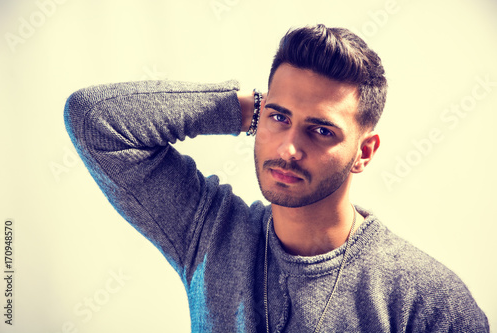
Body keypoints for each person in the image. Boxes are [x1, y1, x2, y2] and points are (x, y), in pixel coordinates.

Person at [64, 24, 489, 332]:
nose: (288, 148)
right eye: (279, 118)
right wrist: (250, 108)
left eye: (321, 130)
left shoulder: (427, 300)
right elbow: (93, 119)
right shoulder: (210, 233)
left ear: (363, 152)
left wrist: (280, 111)